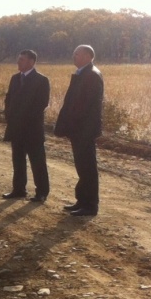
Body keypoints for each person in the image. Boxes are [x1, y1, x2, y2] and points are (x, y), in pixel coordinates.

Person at [54, 44, 104, 217]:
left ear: (88, 56)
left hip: (85, 130)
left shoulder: (91, 75)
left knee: (87, 167)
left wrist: (74, 124)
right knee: (81, 166)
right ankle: (82, 201)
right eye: (74, 53)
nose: (74, 56)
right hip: (79, 129)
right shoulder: (83, 73)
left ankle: (90, 206)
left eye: (78, 54)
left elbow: (86, 106)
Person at [1, 50, 50, 202]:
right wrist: (9, 116)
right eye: (18, 59)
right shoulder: (15, 78)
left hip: (32, 128)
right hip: (16, 127)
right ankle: (19, 189)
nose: (18, 62)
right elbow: (9, 99)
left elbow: (41, 104)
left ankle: (41, 192)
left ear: (31, 62)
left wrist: (23, 118)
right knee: (18, 160)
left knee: (37, 162)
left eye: (21, 60)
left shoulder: (41, 80)